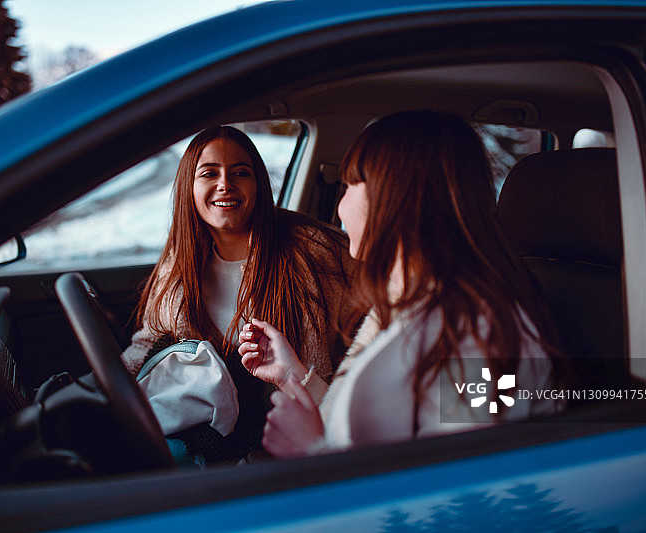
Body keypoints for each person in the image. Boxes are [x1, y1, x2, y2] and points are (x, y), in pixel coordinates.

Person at [239, 110, 564, 457]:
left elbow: (464, 494)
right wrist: (292, 375)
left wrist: (311, 452)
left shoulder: (477, 335)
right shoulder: (408, 305)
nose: (340, 206)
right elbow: (373, 434)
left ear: (391, 194)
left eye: (349, 186)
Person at [121, 125, 359, 462]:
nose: (224, 184)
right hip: (209, 432)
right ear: (189, 186)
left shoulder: (313, 252)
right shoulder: (179, 260)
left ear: (259, 184)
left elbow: (363, 341)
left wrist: (312, 393)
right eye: (209, 173)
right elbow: (150, 339)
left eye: (240, 172)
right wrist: (111, 388)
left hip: (291, 440)